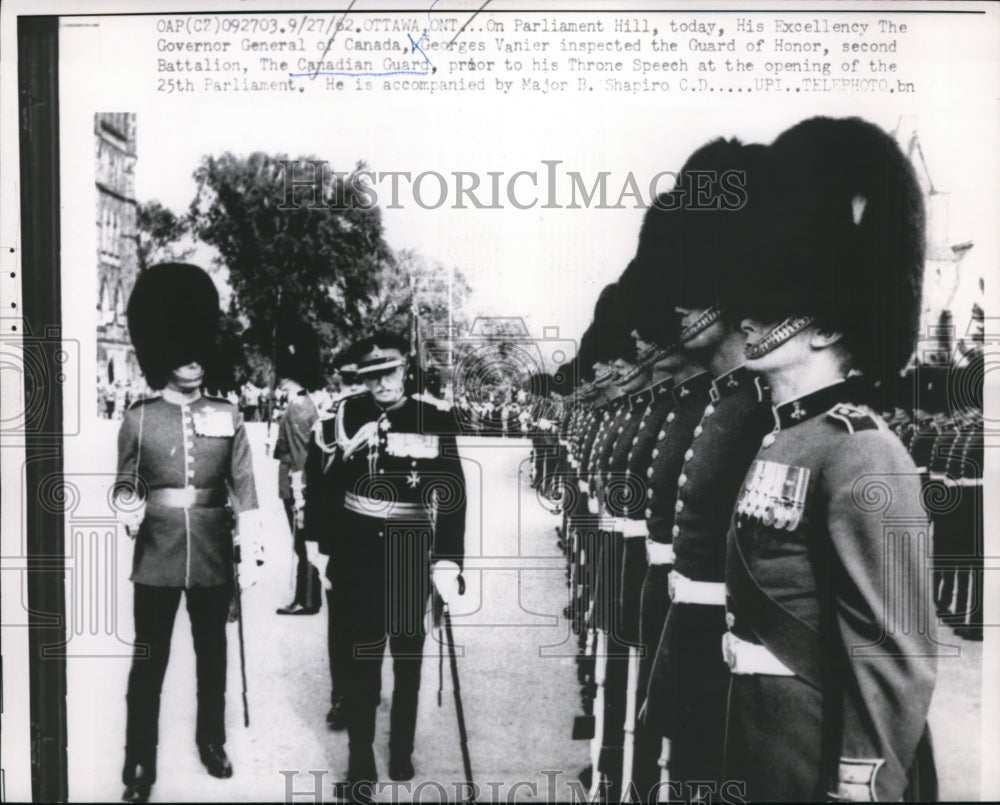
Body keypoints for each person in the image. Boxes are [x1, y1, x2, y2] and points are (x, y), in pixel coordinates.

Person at [721, 117, 937, 801]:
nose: (748, 319)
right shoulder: (783, 434)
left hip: (812, 756)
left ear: (834, 322)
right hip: (759, 740)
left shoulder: (862, 451)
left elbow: (893, 656)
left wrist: (860, 782)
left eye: (772, 302)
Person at [640, 140, 775, 802]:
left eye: (697, 290)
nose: (679, 306)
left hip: (733, 656)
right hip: (691, 628)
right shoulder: (724, 404)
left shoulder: (759, 412)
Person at [112, 263, 262, 805]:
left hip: (214, 554)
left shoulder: (228, 413)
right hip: (156, 553)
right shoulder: (140, 417)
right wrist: (129, 509)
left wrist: (256, 542)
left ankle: (212, 741)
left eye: (198, 347)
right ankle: (138, 763)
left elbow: (242, 482)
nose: (193, 360)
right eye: (181, 348)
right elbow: (126, 482)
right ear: (162, 353)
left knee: (211, 657)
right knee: (148, 663)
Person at [302, 332, 467, 798]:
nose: (382, 384)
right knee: (361, 660)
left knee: (408, 657)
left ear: (405, 369)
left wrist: (449, 560)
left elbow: (453, 495)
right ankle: (359, 762)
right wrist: (317, 539)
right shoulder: (341, 415)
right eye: (371, 376)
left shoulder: (432, 417)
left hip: (410, 547)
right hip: (355, 550)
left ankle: (401, 749)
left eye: (389, 373)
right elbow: (319, 482)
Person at [273, 319, 325, 613]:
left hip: (297, 484)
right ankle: (308, 597)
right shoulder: (303, 404)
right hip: (299, 481)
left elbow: (299, 452)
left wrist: (299, 490)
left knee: (301, 542)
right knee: (303, 541)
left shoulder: (296, 408)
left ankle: (305, 599)